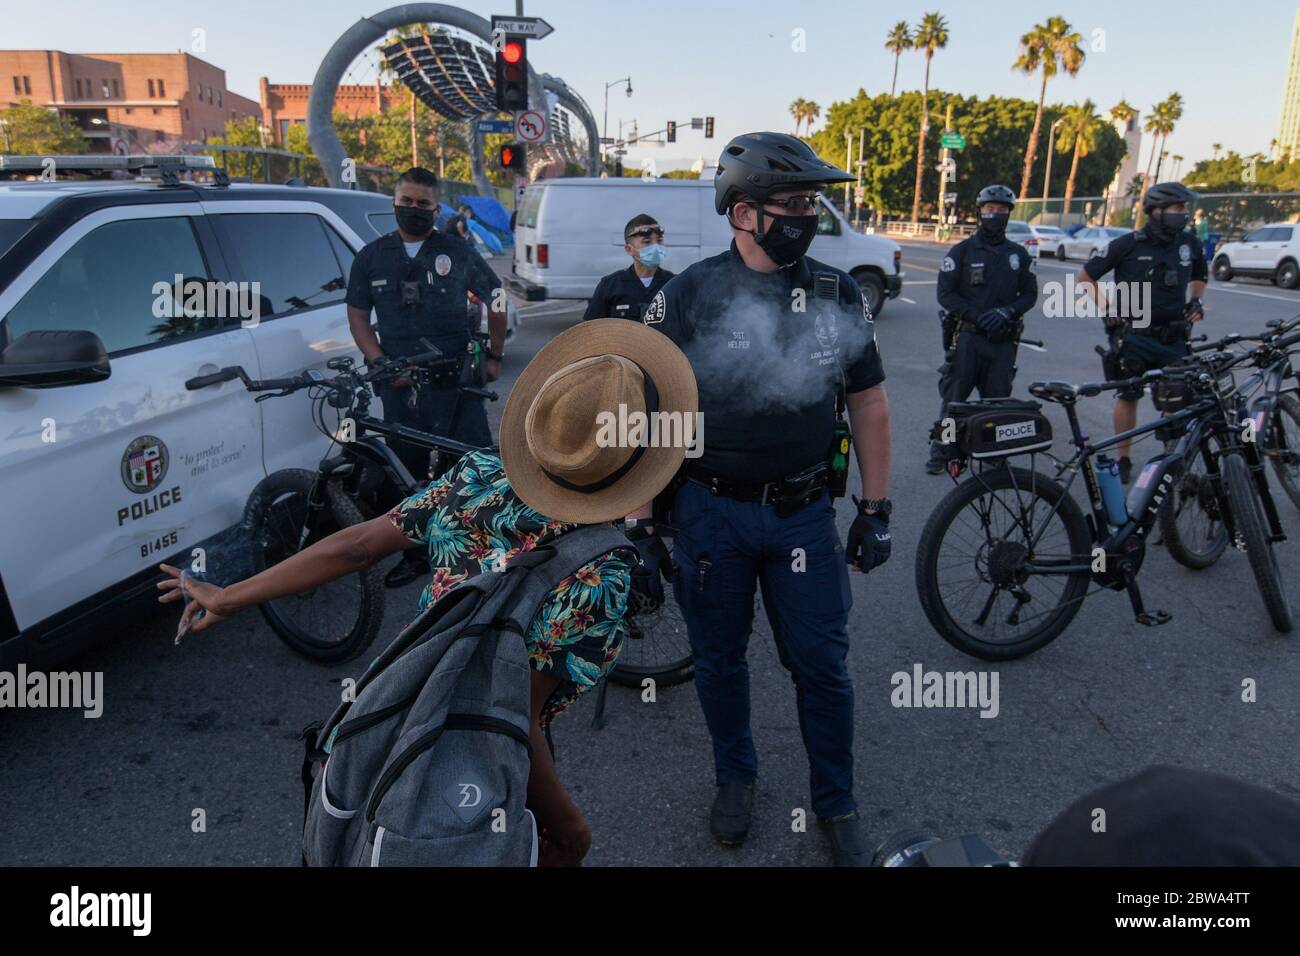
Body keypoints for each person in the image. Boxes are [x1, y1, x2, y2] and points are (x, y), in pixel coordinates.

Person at [157, 318, 699, 867]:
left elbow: (359, 546)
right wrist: (570, 830)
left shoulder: (479, 477)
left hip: (384, 716)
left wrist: (230, 596)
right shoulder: (602, 573)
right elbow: (511, 720)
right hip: (464, 765)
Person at [637, 131, 893, 866]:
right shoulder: (687, 293)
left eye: (811, 204)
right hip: (708, 513)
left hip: (802, 515)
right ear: (741, 212)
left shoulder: (839, 292)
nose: (806, 217)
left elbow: (869, 401)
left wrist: (877, 509)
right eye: (792, 204)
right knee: (718, 660)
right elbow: (649, 408)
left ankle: (836, 802)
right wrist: (639, 520)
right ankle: (735, 777)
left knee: (821, 662)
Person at [345, 167, 509, 587]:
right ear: (394, 203)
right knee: (407, 470)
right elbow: (359, 317)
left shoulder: (456, 250)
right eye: (408, 202)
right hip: (400, 385)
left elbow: (498, 297)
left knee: (471, 467)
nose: (414, 209)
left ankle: (475, 552)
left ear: (437, 210)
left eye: (424, 204)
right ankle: (415, 555)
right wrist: (380, 361)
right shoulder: (371, 256)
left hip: (457, 383)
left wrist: (494, 354)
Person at [1078, 182, 1205, 484]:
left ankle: (1172, 458)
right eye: (1178, 209)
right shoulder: (1129, 243)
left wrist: (1196, 301)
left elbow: (1200, 274)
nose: (1183, 214)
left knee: (1178, 397)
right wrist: (1109, 310)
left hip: (1173, 336)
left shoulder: (1189, 243)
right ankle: (1124, 458)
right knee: (1129, 394)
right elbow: (1086, 276)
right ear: (1157, 211)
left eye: (1185, 209)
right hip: (1133, 335)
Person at [926, 184, 1039, 475]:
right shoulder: (961, 251)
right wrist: (976, 316)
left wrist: (1007, 312)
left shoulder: (1018, 255)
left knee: (998, 404)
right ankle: (942, 451)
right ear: (979, 212)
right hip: (968, 339)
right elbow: (945, 294)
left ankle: (995, 455)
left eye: (1002, 211)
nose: (996, 215)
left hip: (1002, 342)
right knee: (953, 402)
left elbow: (1029, 294)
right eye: (990, 210)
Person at [582, 214, 676, 322]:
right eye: (647, 242)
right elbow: (590, 330)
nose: (656, 247)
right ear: (629, 249)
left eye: (659, 241)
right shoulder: (610, 286)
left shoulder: (674, 285)